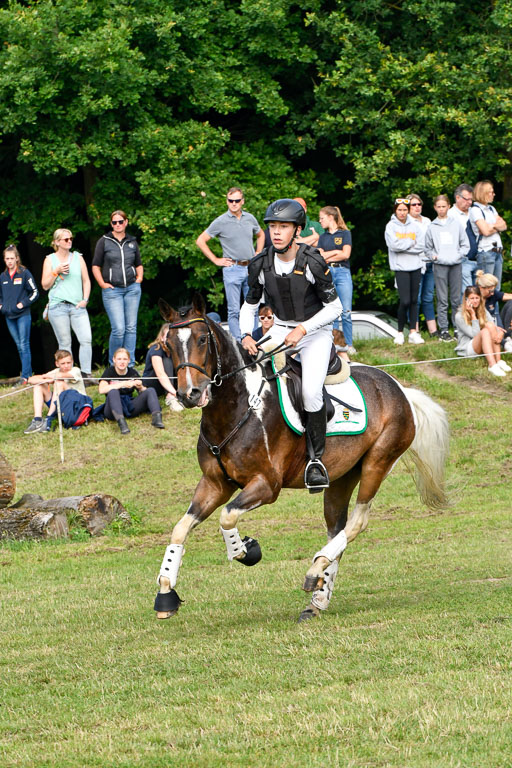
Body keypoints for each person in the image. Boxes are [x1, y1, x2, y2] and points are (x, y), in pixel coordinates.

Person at [239, 198, 342, 492]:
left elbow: (335, 308)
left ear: (297, 230)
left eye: (283, 226)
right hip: (280, 329)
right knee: (245, 373)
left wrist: (303, 329)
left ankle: (315, 460)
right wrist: (246, 334)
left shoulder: (313, 261)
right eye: (272, 226)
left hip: (315, 332)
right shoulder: (260, 263)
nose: (276, 232)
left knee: (310, 393)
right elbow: (249, 306)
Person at [195, 187, 265, 341]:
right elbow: (200, 240)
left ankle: (253, 340)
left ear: (242, 201)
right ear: (227, 201)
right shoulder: (221, 221)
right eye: (230, 200)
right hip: (232, 268)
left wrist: (258, 253)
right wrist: (215, 260)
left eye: (237, 200)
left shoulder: (250, 218)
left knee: (253, 306)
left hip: (250, 267)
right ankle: (238, 342)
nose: (234, 203)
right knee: (234, 310)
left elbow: (261, 235)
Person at [92, 210, 143, 365]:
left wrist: (139, 278)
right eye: (114, 222)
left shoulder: (132, 241)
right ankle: (114, 364)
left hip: (132, 288)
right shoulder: (104, 241)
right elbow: (95, 265)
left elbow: (138, 263)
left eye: (121, 221)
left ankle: (130, 364)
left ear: (126, 222)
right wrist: (102, 284)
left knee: (131, 328)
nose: (118, 224)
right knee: (119, 329)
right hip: (112, 290)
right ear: (111, 224)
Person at [41, 228, 92, 376]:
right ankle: (68, 376)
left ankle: (86, 374)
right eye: (66, 239)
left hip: (77, 306)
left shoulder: (78, 257)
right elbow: (45, 285)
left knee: (86, 339)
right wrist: (55, 271)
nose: (69, 241)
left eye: (71, 239)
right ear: (57, 242)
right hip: (58, 306)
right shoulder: (50, 259)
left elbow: (86, 281)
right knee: (64, 343)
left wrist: (85, 300)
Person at [424, 194, 469, 342]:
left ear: (449, 206)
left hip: (456, 264)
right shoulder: (432, 226)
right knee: (442, 298)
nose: (441, 209)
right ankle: (443, 329)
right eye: (439, 207)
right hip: (440, 265)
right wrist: (434, 257)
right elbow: (427, 248)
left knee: (456, 298)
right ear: (435, 208)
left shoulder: (456, 224)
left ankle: (457, 328)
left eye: (444, 206)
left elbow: (465, 244)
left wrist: (458, 255)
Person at [384, 198, 425, 345]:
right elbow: (393, 246)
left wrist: (404, 247)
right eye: (399, 210)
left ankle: (413, 332)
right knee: (405, 300)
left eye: (405, 210)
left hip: (416, 266)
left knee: (414, 300)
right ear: (395, 210)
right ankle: (400, 332)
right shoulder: (391, 226)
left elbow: (421, 245)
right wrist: (410, 243)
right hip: (400, 268)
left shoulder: (415, 225)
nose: (402, 213)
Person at [317, 205, 356, 355]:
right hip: (327, 272)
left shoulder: (345, 234)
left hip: (342, 272)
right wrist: (335, 252)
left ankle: (349, 344)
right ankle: (333, 344)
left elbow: (346, 255)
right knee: (332, 311)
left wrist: (329, 254)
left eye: (322, 218)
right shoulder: (322, 237)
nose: (320, 221)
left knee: (346, 311)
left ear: (330, 217)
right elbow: (321, 256)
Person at [98, 347, 164, 434]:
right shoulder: (109, 372)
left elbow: (143, 391)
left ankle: (157, 418)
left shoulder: (132, 372)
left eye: (125, 359)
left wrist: (140, 387)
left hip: (129, 405)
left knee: (150, 390)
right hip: (112, 409)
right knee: (113, 391)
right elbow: (101, 390)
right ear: (114, 360)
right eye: (119, 359)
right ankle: (122, 424)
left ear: (129, 360)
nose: (122, 362)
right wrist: (122, 384)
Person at [0, 244, 39, 384]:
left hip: (23, 315)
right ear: (4, 260)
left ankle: (25, 377)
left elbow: (35, 292)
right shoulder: (3, 276)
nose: (9, 261)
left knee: (24, 344)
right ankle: (27, 375)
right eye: (7, 259)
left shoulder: (24, 273)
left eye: (12, 258)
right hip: (9, 317)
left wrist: (23, 304)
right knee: (19, 346)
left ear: (17, 258)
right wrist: (1, 306)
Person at [24, 349, 85, 433]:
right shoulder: (56, 371)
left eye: (68, 363)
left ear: (72, 362)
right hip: (60, 403)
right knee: (38, 386)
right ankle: (37, 420)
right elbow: (31, 380)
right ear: (57, 364)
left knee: (59, 383)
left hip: (75, 406)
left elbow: (61, 376)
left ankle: (49, 418)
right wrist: (46, 379)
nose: (66, 366)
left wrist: (50, 377)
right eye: (63, 363)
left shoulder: (75, 370)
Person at [454, 286, 509, 376]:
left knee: (489, 325)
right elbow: (474, 334)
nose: (475, 301)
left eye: (477, 298)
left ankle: (498, 360)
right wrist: (473, 315)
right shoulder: (459, 316)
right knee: (485, 331)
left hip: (483, 344)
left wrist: (500, 332)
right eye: (472, 298)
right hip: (467, 348)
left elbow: (493, 326)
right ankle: (492, 365)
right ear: (466, 300)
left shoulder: (483, 310)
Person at [469, 181, 507, 287]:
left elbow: (504, 226)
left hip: (498, 251)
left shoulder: (491, 209)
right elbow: (485, 231)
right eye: (491, 192)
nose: (494, 194)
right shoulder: (475, 210)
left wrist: (491, 226)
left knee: (496, 287)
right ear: (483, 193)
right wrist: (496, 227)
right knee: (486, 287)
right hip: (486, 252)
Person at [408, 193, 436, 338]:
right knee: (415, 299)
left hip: (430, 261)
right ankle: (415, 331)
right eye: (414, 204)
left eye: (419, 204)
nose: (417, 207)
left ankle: (433, 331)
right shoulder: (406, 223)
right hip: (415, 263)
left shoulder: (427, 221)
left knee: (428, 297)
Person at [142, 323, 183, 412]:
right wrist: (175, 393)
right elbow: (160, 373)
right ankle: (171, 397)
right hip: (153, 385)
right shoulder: (156, 349)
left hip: (170, 383)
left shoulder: (176, 350)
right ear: (161, 337)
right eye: (167, 336)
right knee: (167, 362)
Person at [448, 183, 476, 294]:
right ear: (457, 198)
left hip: (478, 257)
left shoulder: (475, 212)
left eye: (471, 199)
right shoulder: (450, 215)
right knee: (466, 293)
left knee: (480, 294)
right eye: (467, 199)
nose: (470, 202)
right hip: (462, 260)